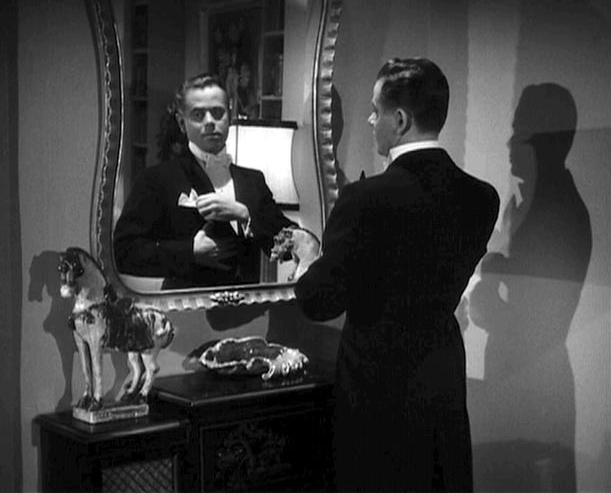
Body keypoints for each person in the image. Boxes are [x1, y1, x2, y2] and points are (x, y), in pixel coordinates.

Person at [295, 58, 500, 492]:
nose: (371, 121)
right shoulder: (482, 198)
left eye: (375, 110)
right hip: (442, 376)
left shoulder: (364, 198)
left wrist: (309, 256)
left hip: (376, 385)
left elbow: (319, 301)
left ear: (401, 120)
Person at [114, 73, 296, 289]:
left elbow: (290, 246)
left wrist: (246, 216)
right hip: (185, 306)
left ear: (229, 116)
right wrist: (189, 252)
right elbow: (123, 252)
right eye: (198, 115)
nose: (209, 122)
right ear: (182, 123)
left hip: (248, 306)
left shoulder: (253, 181)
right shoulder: (156, 179)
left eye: (217, 113)